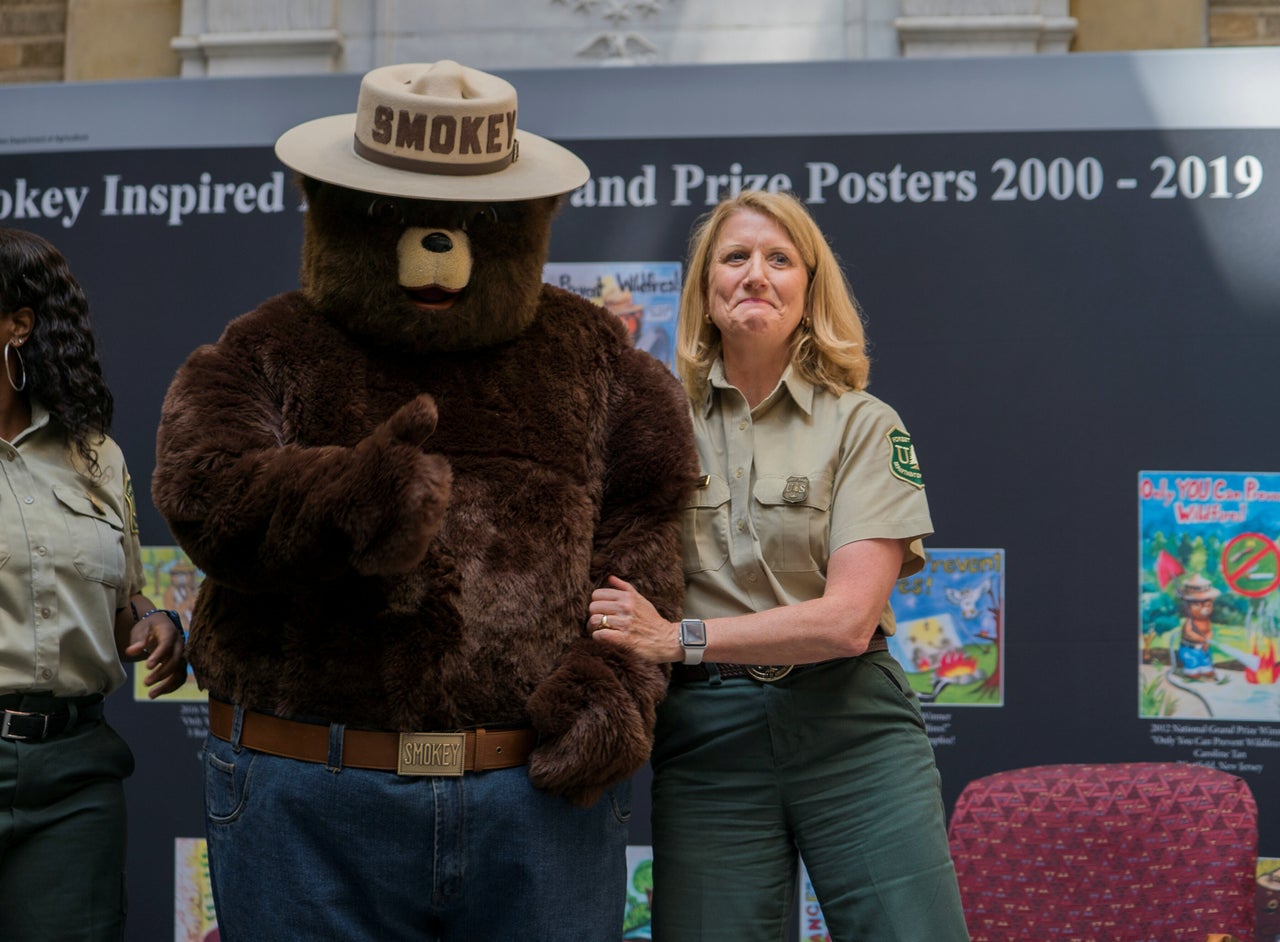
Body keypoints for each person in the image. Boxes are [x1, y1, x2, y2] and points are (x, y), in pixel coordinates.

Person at [589, 191, 971, 941]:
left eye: (779, 259)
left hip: (851, 726)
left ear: (808, 288)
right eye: (735, 258)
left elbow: (847, 620)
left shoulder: (864, 423)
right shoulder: (653, 425)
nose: (755, 274)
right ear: (705, 289)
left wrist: (678, 638)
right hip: (708, 741)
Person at [0, 228, 188, 942]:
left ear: (18, 325)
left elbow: (120, 603)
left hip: (73, 775)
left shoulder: (93, 456)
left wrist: (153, 622)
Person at [1175, 573, 1221, 682]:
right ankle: (1192, 671)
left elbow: (1209, 631)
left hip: (1203, 648)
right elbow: (1188, 633)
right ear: (1187, 607)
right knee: (1191, 661)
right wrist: (1201, 639)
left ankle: (1205, 669)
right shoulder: (1190, 621)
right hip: (1190, 649)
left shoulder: (1206, 621)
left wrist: (1208, 640)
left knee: (1206, 660)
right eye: (1197, 605)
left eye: (1208, 605)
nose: (1204, 609)